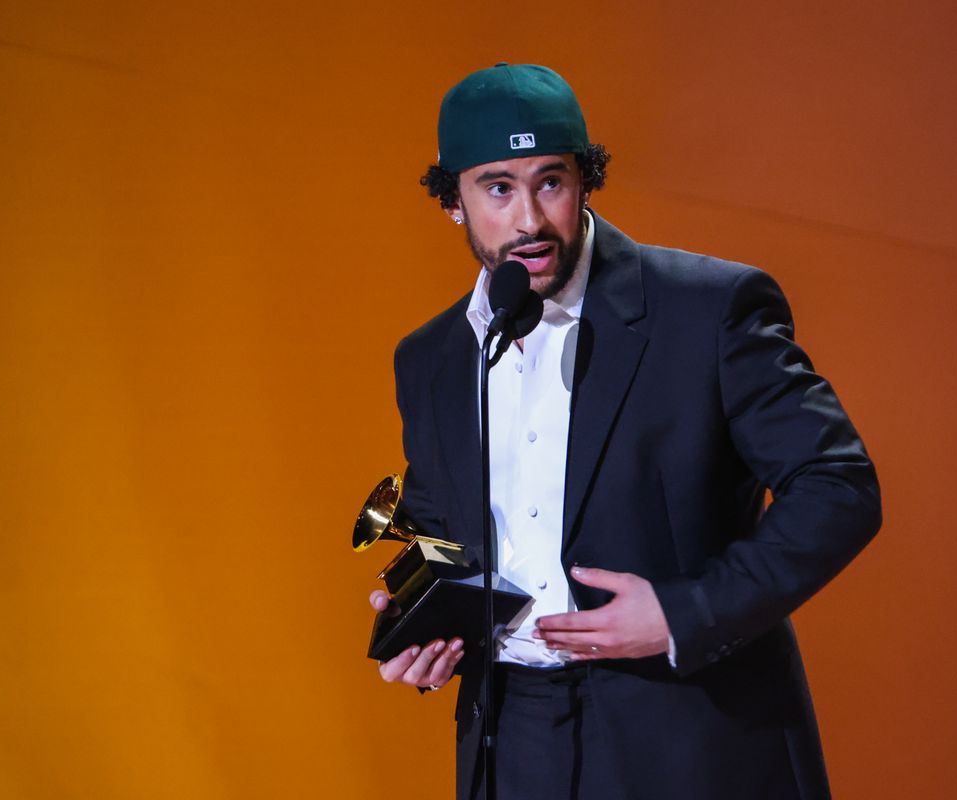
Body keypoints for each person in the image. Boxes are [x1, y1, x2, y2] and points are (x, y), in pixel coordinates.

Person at [368, 62, 882, 800]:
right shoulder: (430, 359)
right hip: (507, 739)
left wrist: (683, 614)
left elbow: (839, 486)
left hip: (687, 734)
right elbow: (442, 528)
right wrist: (422, 622)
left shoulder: (710, 309)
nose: (529, 221)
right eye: (498, 188)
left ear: (586, 181)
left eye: (551, 181)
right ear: (454, 201)